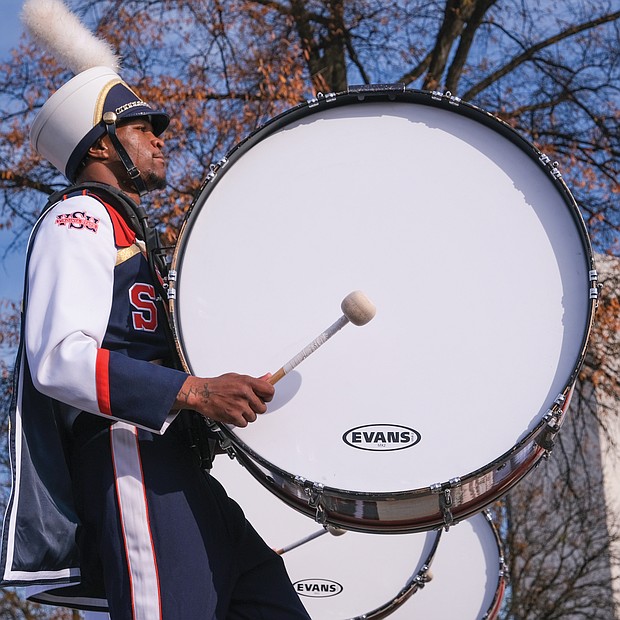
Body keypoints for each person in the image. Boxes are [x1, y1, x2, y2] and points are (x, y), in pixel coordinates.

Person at [0, 65, 311, 620]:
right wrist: (194, 391)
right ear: (100, 144)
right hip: (131, 453)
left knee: (270, 599)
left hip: (179, 465)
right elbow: (57, 358)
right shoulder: (80, 216)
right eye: (141, 128)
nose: (160, 139)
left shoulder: (133, 232)